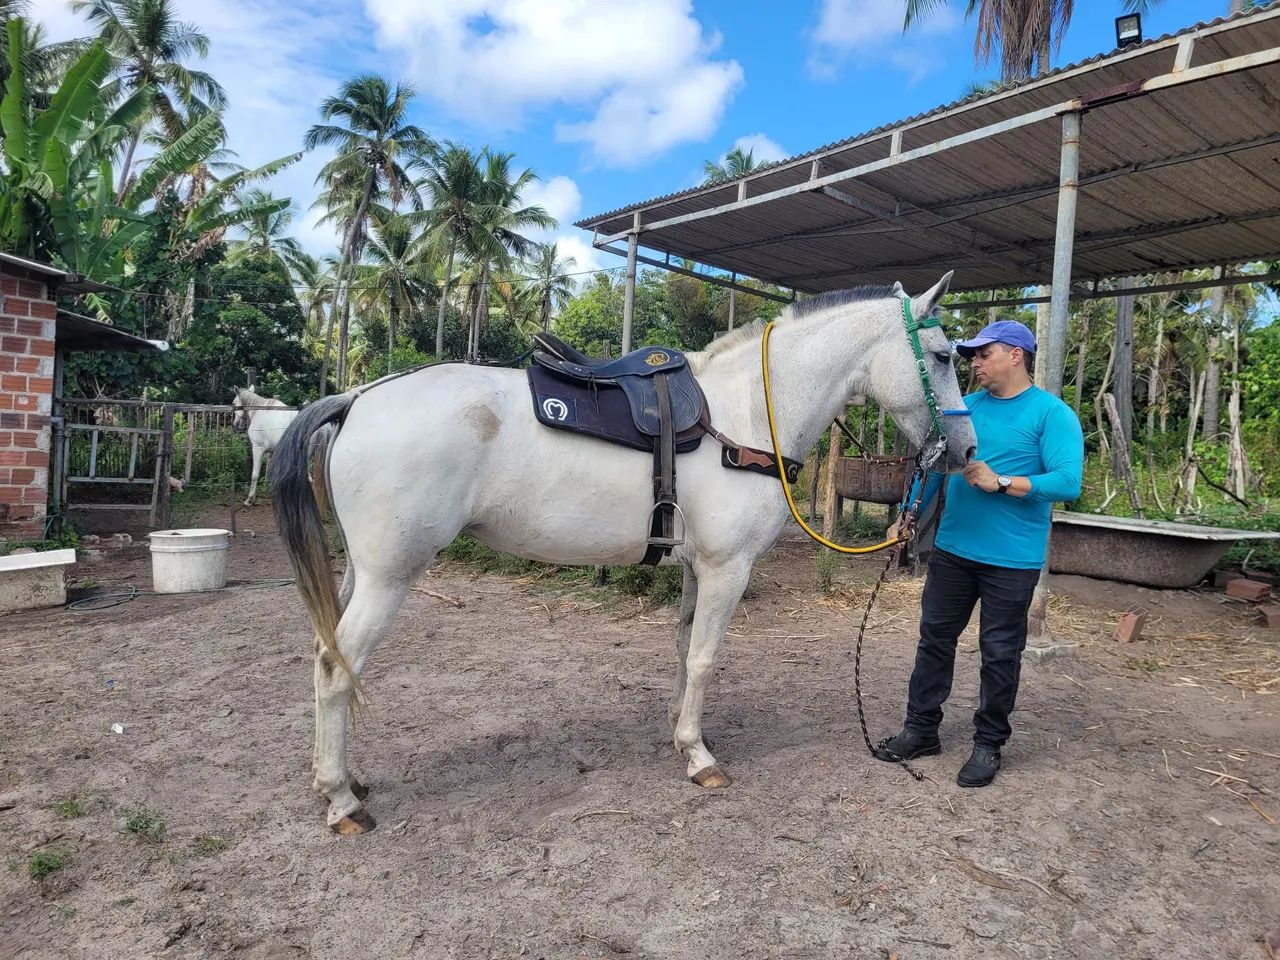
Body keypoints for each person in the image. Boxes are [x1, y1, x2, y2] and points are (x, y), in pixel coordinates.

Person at [873, 319, 1083, 787]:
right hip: (953, 550)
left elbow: (1068, 482)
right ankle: (921, 730)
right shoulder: (963, 409)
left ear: (1016, 355)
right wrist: (909, 514)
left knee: (1001, 652)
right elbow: (934, 469)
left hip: (1012, 560)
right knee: (934, 640)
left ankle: (988, 745)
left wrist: (1002, 482)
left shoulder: (1052, 414)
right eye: (972, 356)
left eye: (984, 354)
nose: (975, 363)